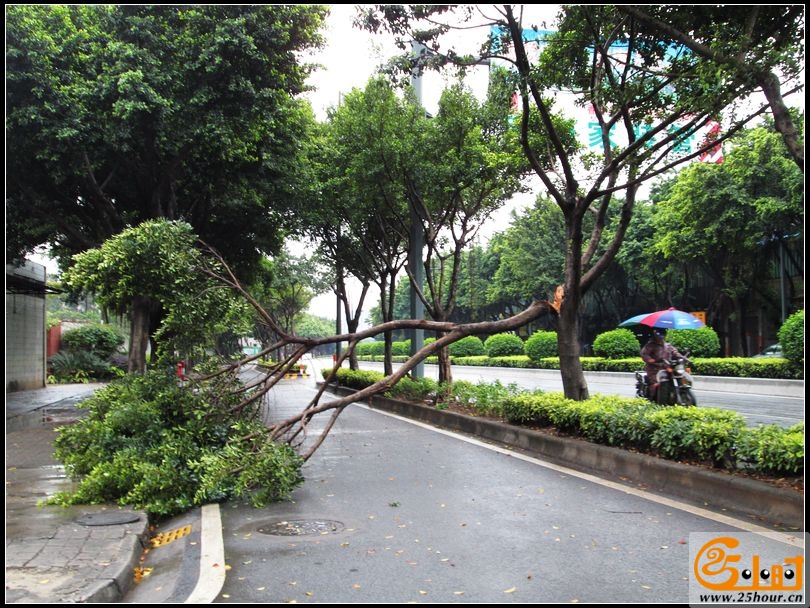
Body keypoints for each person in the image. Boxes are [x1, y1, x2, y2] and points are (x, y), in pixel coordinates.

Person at [640, 328, 685, 401]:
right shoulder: (650, 345)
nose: (661, 336)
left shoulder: (668, 346)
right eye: (658, 334)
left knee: (680, 377)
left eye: (662, 334)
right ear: (655, 335)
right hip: (654, 369)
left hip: (667, 367)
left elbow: (675, 352)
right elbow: (644, 354)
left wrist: (683, 357)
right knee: (656, 383)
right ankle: (653, 398)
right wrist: (651, 360)